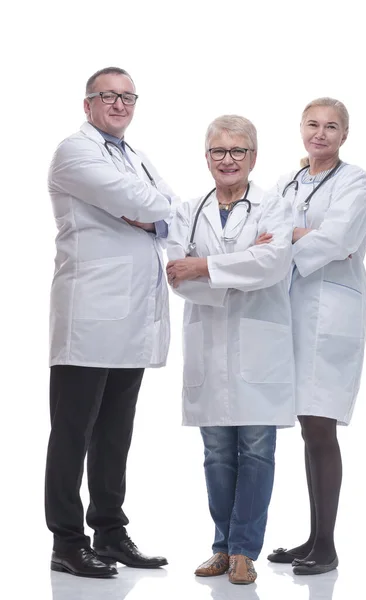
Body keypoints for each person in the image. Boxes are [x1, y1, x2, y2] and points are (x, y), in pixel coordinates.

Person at [45, 66, 178, 578]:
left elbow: (169, 209)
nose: (120, 104)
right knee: (72, 432)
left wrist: (152, 215)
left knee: (116, 433)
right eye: (109, 96)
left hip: (131, 320)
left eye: (128, 97)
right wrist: (147, 211)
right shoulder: (73, 152)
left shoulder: (136, 157)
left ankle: (110, 530)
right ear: (88, 104)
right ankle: (67, 540)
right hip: (89, 316)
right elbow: (140, 202)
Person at [166, 115, 295, 585]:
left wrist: (204, 266)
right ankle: (221, 547)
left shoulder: (274, 208)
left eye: (238, 151)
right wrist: (228, 271)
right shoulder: (188, 210)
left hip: (261, 349)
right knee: (217, 455)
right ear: (207, 158)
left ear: (253, 158)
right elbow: (176, 276)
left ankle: (244, 550)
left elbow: (274, 263)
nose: (228, 160)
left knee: (257, 453)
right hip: (209, 347)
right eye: (219, 151)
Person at [266, 97, 366, 575]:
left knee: (321, 426)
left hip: (331, 312)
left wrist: (291, 236)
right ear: (301, 130)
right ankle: (313, 538)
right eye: (313, 124)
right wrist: (297, 233)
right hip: (293, 309)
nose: (321, 133)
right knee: (309, 429)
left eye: (332, 127)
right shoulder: (289, 181)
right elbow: (262, 228)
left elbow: (339, 240)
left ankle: (326, 546)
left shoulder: (355, 181)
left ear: (344, 135)